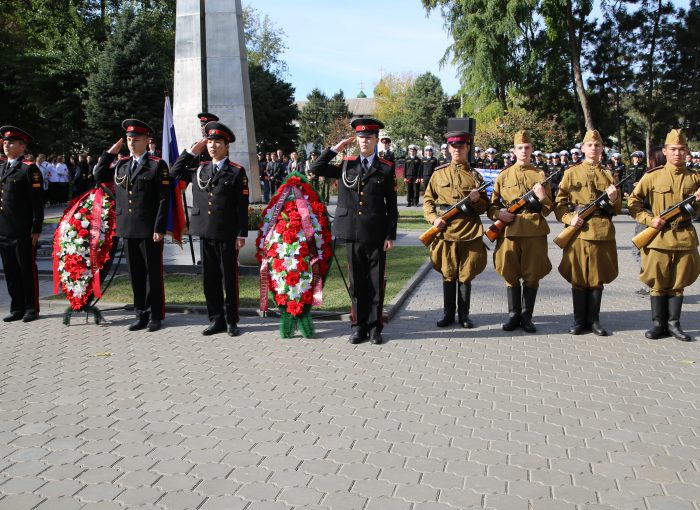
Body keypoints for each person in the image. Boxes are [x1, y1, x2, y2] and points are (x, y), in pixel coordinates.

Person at [310, 118, 397, 344]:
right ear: (356, 140)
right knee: (356, 282)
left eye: (369, 137)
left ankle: (375, 327)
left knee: (376, 282)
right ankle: (358, 325)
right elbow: (315, 168)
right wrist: (335, 149)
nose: (364, 140)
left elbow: (392, 206)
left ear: (376, 140)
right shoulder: (347, 164)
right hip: (352, 232)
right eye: (361, 137)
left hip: (376, 233)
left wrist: (390, 235)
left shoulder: (386, 168)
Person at [171, 121, 249, 337]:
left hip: (226, 232)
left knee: (229, 279)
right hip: (205, 231)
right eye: (210, 142)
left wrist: (241, 233)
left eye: (217, 142)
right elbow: (174, 172)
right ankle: (216, 319)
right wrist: (190, 152)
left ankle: (232, 320)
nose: (212, 146)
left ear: (226, 146)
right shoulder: (199, 168)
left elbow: (242, 206)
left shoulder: (236, 171)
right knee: (209, 279)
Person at [93, 119, 171, 332]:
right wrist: (109, 154)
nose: (132, 143)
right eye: (129, 140)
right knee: (135, 274)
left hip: (148, 228)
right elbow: (99, 176)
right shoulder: (121, 164)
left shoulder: (156, 165)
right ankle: (140, 313)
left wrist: (159, 227)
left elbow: (164, 199)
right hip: (127, 227)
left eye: (136, 140)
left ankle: (155, 315)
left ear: (147, 141)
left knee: (152, 274)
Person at [627, 129, 700, 342]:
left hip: (684, 237)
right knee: (658, 283)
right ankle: (658, 325)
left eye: (681, 149)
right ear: (665, 152)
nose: (677, 153)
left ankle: (674, 324)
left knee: (678, 284)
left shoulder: (695, 178)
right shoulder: (652, 176)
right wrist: (650, 220)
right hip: (658, 239)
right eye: (673, 149)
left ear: (687, 152)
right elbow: (633, 202)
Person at [554, 129, 621, 336]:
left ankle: (594, 321)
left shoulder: (609, 174)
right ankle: (578, 320)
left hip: (601, 232)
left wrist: (614, 197)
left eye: (597, 145)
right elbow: (560, 204)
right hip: (578, 232)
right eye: (589, 145)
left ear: (602, 149)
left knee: (596, 277)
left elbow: (617, 210)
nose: (593, 148)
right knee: (578, 276)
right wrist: (569, 219)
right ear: (582, 148)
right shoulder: (571, 173)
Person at [423, 128, 488, 329]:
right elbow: (427, 201)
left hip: (469, 231)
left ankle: (464, 315)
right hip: (445, 231)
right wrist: (434, 220)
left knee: (466, 274)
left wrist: (477, 201)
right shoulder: (438, 174)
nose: (457, 149)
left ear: (468, 147)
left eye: (461, 145)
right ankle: (448, 314)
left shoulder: (476, 176)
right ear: (448, 149)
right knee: (448, 273)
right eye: (454, 145)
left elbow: (486, 206)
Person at [488, 130, 552, 333]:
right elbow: (492, 206)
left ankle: (527, 317)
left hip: (534, 231)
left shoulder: (541, 176)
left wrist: (542, 198)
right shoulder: (504, 175)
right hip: (510, 231)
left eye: (527, 147)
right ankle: (513, 316)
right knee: (510, 273)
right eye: (520, 148)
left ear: (532, 149)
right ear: (514, 151)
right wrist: (499, 215)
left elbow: (549, 209)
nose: (523, 151)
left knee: (532, 275)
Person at [0, 126, 44, 322]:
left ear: (22, 146)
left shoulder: (29, 169)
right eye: (5, 142)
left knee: (26, 269)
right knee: (10, 270)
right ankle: (16, 306)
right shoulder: (1, 167)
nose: (6, 145)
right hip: (3, 229)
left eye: (11, 142)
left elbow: (37, 202)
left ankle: (30, 308)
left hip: (22, 229)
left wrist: (36, 229)